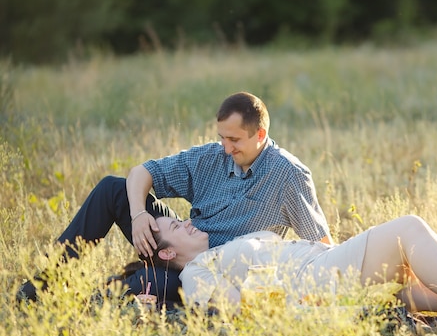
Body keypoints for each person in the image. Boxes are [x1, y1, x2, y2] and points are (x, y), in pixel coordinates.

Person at [18, 92, 333, 306]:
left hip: (211, 274)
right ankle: (35, 291)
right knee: (113, 188)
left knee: (148, 284)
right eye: (222, 137)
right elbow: (143, 171)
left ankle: (86, 303)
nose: (225, 148)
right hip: (179, 240)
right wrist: (140, 215)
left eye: (234, 140)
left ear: (260, 135)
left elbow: (321, 246)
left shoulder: (288, 175)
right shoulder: (212, 157)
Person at [130, 214, 437, 328]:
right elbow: (238, 311)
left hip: (325, 269)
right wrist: (306, 310)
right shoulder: (195, 275)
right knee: (407, 228)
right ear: (168, 254)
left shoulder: (223, 247)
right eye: (175, 225)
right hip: (316, 283)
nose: (185, 221)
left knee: (434, 290)